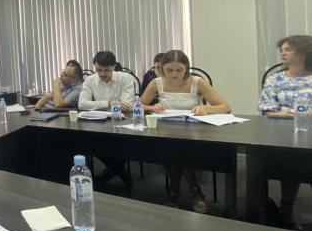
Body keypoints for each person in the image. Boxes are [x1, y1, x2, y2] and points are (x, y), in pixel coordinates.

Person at [140, 50, 231, 213]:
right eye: (169, 70)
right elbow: (139, 106)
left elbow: (225, 107)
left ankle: (174, 191)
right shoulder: (156, 83)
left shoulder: (197, 82)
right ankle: (195, 191)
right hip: (166, 131)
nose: (174, 75)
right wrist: (152, 107)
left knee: (179, 150)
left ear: (186, 68)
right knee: (173, 147)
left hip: (193, 132)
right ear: (161, 69)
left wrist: (206, 108)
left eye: (179, 70)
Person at [257, 35, 312, 229]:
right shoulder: (274, 79)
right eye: (282, 50)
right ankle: (286, 208)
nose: (283, 53)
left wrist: (303, 113)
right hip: (281, 132)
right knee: (289, 160)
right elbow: (266, 110)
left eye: (288, 49)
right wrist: (279, 113)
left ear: (303, 53)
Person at [78, 51, 136, 191]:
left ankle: (106, 175)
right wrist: (109, 103)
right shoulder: (90, 80)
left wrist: (97, 105)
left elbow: (127, 106)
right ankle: (119, 170)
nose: (102, 74)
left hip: (123, 123)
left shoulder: (126, 78)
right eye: (99, 70)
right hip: (98, 123)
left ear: (114, 66)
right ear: (94, 66)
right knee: (87, 142)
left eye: (107, 70)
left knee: (127, 145)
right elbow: (82, 104)